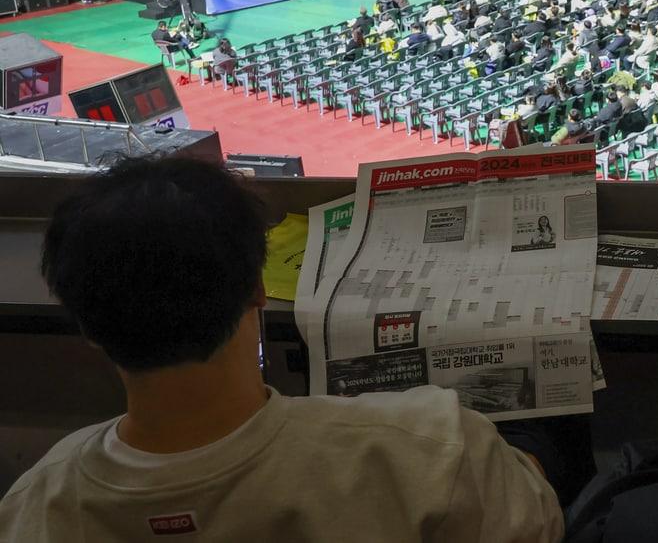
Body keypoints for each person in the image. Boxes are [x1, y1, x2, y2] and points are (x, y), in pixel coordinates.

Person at [0, 157, 565, 542]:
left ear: (88, 327)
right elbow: (537, 522)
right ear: (257, 289)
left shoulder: (35, 506)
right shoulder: (433, 447)